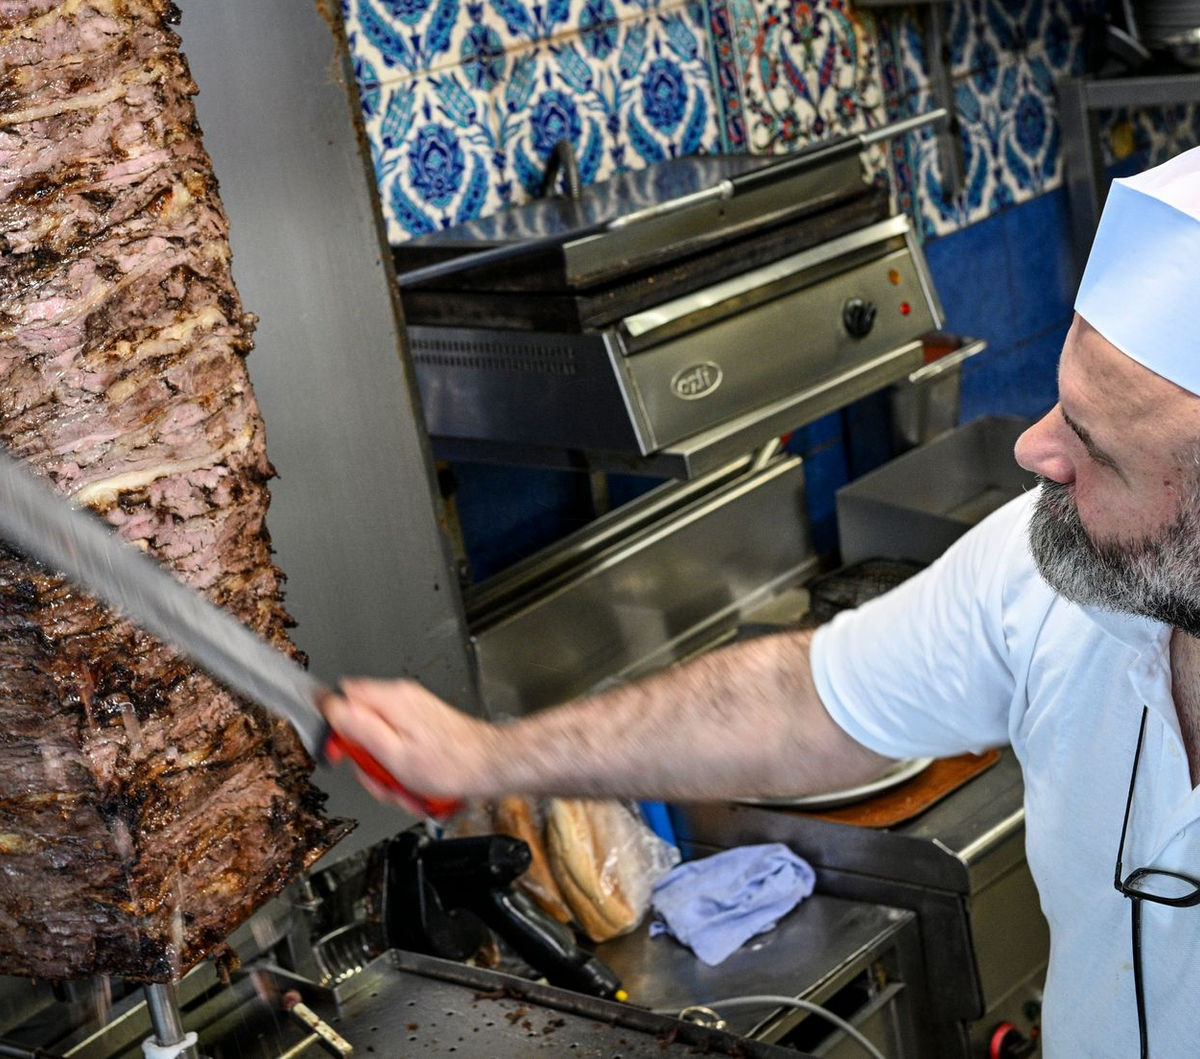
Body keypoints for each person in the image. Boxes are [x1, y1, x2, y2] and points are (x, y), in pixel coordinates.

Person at [325, 144, 1200, 1058]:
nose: (1034, 451)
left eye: (1095, 447)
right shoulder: (1044, 567)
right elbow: (800, 702)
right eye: (1060, 403)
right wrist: (487, 755)